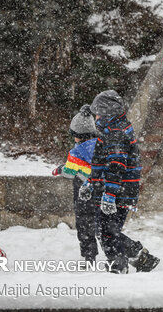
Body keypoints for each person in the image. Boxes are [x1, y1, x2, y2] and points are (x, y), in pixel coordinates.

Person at [78, 89, 160, 274]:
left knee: (107, 231)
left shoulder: (116, 133)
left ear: (107, 112)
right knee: (106, 229)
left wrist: (110, 195)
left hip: (118, 193)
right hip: (114, 190)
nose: (96, 116)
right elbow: (100, 164)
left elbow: (116, 167)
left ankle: (118, 265)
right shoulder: (108, 132)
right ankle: (141, 257)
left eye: (99, 111)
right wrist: (91, 182)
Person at [52, 104, 99, 266]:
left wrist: (59, 170)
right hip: (98, 187)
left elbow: (69, 171)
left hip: (82, 190)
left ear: (78, 135)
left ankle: (89, 255)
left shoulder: (76, 152)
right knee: (99, 222)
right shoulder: (100, 146)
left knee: (83, 222)